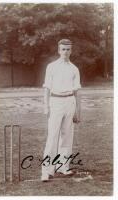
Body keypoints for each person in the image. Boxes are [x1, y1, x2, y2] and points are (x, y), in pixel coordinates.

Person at [41, 39, 81, 182]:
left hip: (70, 102)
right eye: (63, 49)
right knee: (52, 137)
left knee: (67, 136)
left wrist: (78, 111)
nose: (66, 52)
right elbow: (46, 88)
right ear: (58, 50)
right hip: (55, 102)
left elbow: (77, 92)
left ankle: (63, 166)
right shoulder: (51, 67)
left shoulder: (74, 68)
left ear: (71, 50)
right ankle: (47, 170)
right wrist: (46, 107)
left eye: (68, 49)